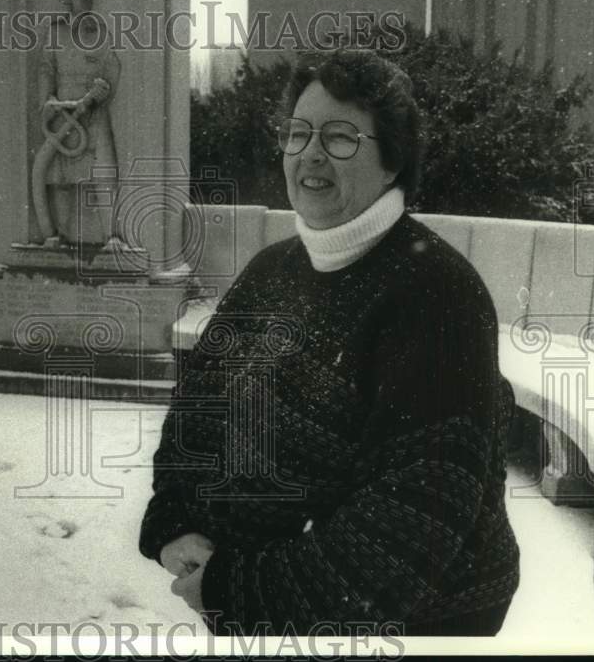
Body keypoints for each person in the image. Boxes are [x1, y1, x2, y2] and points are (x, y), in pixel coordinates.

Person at [138, 49, 521, 636]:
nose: (311, 153)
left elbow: (406, 531)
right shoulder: (272, 270)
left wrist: (237, 587)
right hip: (286, 603)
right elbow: (198, 412)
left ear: (391, 162)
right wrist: (175, 521)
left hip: (417, 625)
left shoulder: (438, 297)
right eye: (299, 133)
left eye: (341, 138)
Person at [32, 0, 123, 250]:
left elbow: (112, 67)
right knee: (59, 178)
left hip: (93, 113)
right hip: (63, 113)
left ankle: (110, 236)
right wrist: (47, 100)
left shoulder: (100, 33)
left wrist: (101, 91)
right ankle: (56, 235)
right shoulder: (56, 33)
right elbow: (46, 68)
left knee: (103, 174)